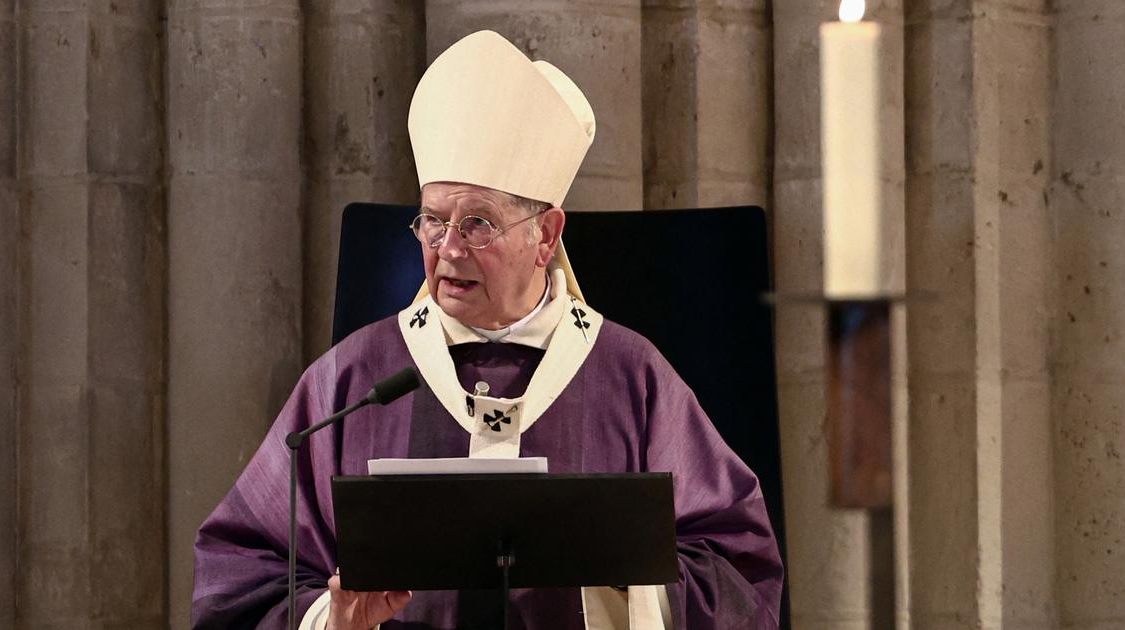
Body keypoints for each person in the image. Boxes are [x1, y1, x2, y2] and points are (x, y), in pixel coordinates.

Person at [192, 30, 783, 630]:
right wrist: (335, 619)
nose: (447, 249)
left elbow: (739, 569)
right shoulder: (353, 380)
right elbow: (239, 576)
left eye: (476, 223)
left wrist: (620, 593)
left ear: (546, 235)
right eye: (432, 221)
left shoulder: (631, 378)